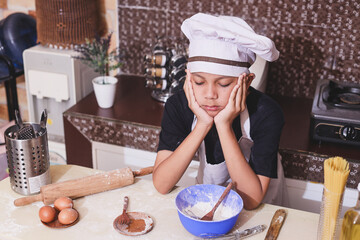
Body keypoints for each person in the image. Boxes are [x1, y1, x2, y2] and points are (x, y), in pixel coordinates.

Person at [152, 13, 288, 210]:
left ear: (247, 81)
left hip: (261, 208)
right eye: (199, 82)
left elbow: (251, 200)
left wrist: (224, 126)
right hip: (208, 201)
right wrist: (203, 125)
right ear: (188, 78)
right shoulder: (178, 106)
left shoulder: (267, 113)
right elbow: (161, 184)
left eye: (223, 84)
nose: (209, 94)